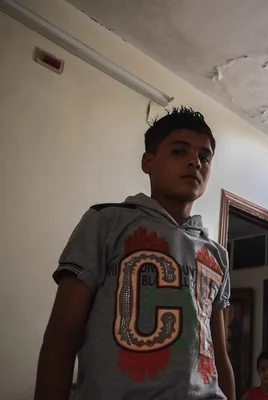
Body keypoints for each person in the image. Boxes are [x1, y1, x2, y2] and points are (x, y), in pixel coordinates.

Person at [34, 106, 235, 400]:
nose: (195, 162)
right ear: (148, 162)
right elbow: (62, 336)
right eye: (179, 152)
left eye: (204, 157)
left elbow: (218, 351)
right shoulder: (106, 222)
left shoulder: (216, 253)